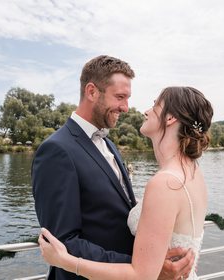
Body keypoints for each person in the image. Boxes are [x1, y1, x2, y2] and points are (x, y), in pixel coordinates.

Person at [32, 55, 194, 280]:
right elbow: (63, 241)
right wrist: (146, 267)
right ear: (91, 92)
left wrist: (149, 259)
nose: (126, 108)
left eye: (127, 98)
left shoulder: (109, 144)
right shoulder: (56, 150)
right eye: (120, 97)